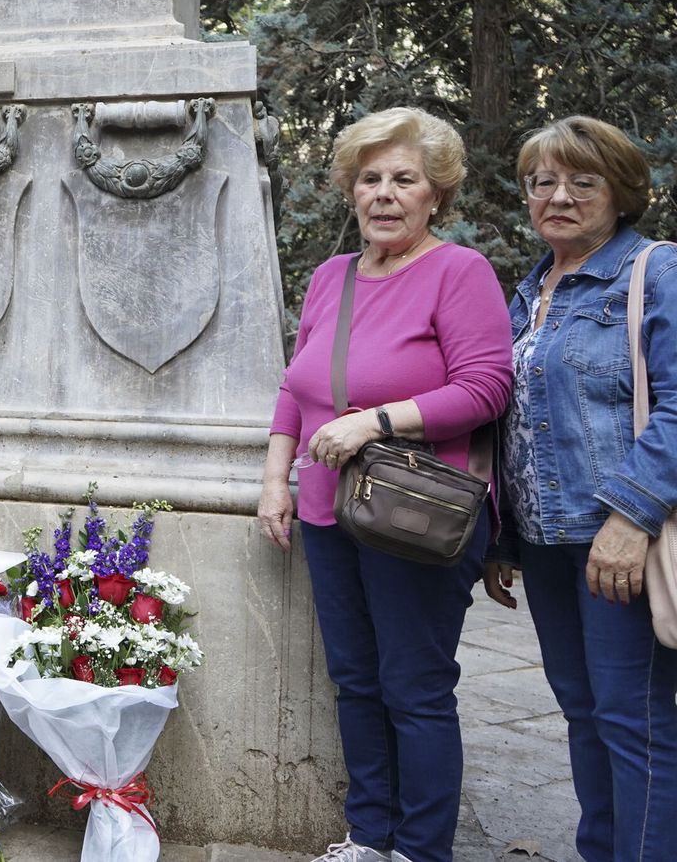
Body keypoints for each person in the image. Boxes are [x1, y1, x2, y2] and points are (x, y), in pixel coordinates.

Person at [256, 107, 513, 862]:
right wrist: (276, 479)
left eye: (405, 178)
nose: (385, 193)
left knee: (416, 688)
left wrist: (376, 421)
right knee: (357, 683)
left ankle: (421, 849)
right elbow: (294, 388)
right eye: (370, 178)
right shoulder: (331, 277)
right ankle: (369, 837)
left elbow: (487, 387)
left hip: (417, 511)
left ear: (436, 192)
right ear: (351, 190)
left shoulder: (459, 271)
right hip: (328, 511)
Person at [482, 117, 677, 862]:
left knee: (636, 721)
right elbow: (518, 419)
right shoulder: (532, 289)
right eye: (543, 182)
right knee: (585, 713)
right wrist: (503, 538)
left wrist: (633, 513)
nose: (559, 196)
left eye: (582, 182)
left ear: (620, 193)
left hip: (622, 541)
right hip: (548, 544)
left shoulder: (655, 273)